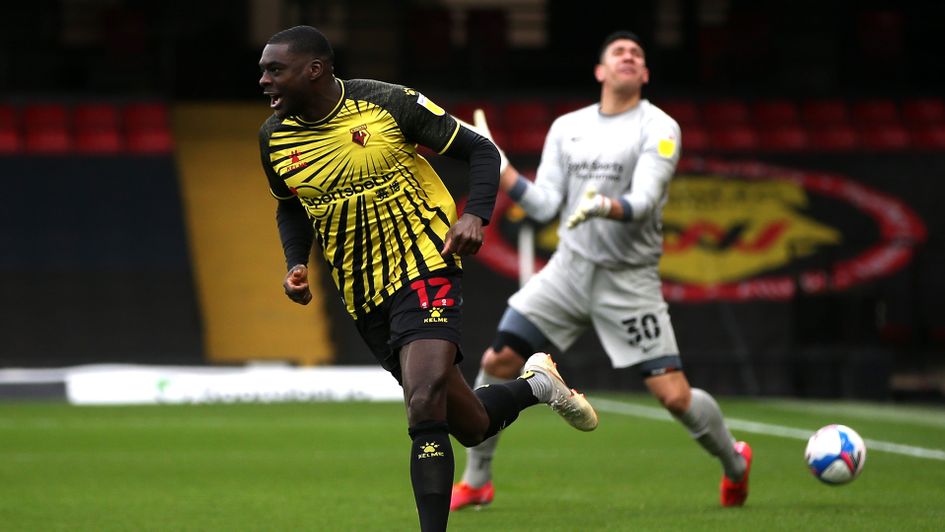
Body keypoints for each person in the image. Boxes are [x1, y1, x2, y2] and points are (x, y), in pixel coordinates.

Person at [256, 25, 598, 532]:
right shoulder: (273, 137)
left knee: (421, 405)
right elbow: (290, 207)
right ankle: (537, 385)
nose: (263, 80)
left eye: (274, 70)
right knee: (470, 425)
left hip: (424, 263)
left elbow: (481, 150)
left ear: (315, 70)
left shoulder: (387, 104)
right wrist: (295, 262)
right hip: (362, 290)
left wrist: (475, 215)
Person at [451, 30, 752, 511]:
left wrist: (604, 206)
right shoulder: (567, 127)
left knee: (674, 397)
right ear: (601, 71)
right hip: (568, 272)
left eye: (638, 54)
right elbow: (547, 204)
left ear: (645, 73)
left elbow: (647, 200)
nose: (629, 57)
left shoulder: (659, 127)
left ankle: (735, 462)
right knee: (498, 361)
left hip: (628, 280)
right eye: (619, 53)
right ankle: (477, 480)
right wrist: (507, 173)